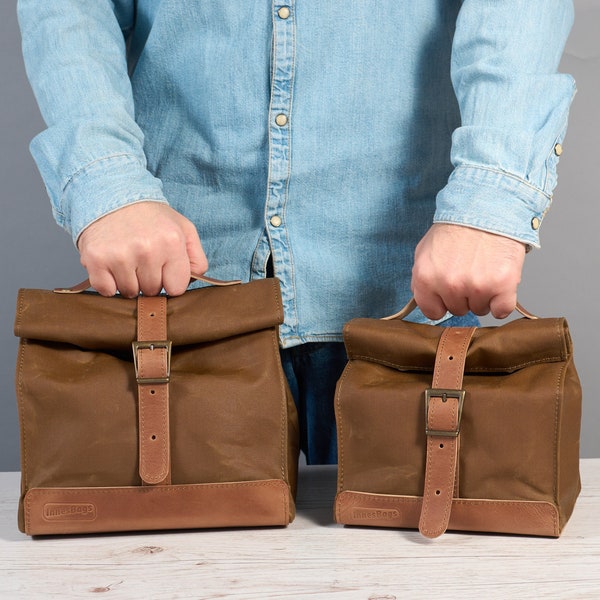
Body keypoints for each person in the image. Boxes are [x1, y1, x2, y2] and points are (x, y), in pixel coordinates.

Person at [18, 1, 575, 464]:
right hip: (178, 287)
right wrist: (107, 184)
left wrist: (489, 199)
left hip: (404, 294)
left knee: (414, 583)